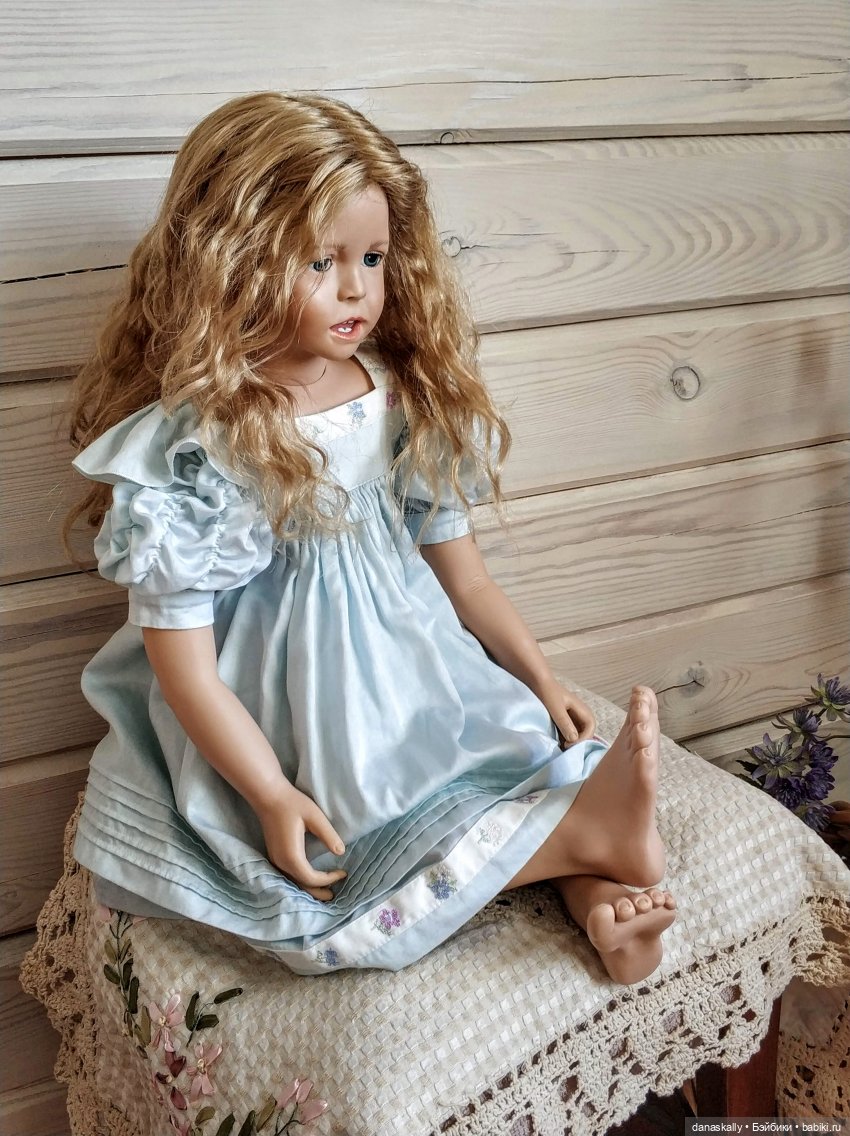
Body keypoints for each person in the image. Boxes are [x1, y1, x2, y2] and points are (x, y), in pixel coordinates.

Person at [65, 91, 676, 984]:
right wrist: (270, 792)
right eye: (320, 261)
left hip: (420, 669)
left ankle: (601, 904)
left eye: (374, 258)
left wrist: (538, 678)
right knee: (369, 815)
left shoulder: (394, 395)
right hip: (298, 709)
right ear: (233, 262)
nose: (356, 288)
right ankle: (595, 843)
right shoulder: (201, 443)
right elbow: (185, 670)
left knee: (511, 754)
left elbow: (465, 579)